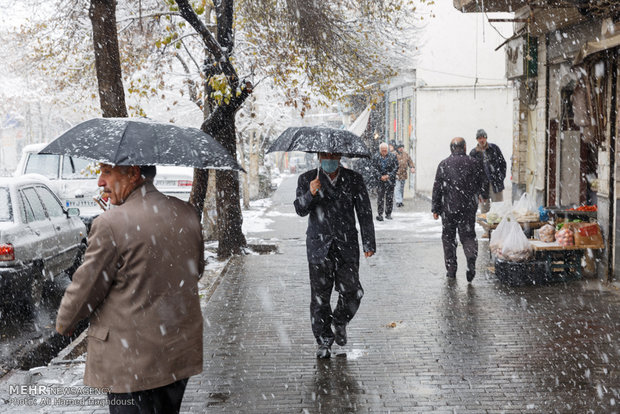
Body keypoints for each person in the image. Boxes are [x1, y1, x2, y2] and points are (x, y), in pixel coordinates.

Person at [56, 163, 204, 414]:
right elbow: (196, 270)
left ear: (134, 173)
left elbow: (86, 288)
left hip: (132, 363)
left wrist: (64, 322)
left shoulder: (110, 224)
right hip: (177, 353)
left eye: (106, 172)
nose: (100, 182)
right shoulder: (187, 212)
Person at [294, 152, 376, 359]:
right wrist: (310, 193)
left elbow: (364, 212)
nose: (329, 159)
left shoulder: (353, 179)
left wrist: (368, 242)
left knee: (353, 292)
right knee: (320, 298)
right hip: (319, 247)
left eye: (333, 155)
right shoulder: (307, 178)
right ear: (319, 157)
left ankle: (339, 321)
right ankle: (323, 341)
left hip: (346, 245)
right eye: (325, 155)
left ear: (339, 156)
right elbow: (300, 209)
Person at [432, 138, 484, 282]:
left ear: (451, 148)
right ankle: (471, 260)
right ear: (465, 147)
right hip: (468, 207)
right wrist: (481, 194)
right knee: (468, 236)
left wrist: (435, 208)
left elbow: (437, 188)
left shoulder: (444, 164)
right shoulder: (474, 163)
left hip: (449, 208)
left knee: (448, 238)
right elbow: (482, 181)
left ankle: (451, 269)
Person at [469, 128, 507, 215]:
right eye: (479, 138)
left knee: (498, 210)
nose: (482, 140)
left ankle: (498, 228)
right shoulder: (474, 153)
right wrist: (476, 188)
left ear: (486, 138)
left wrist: (500, 177)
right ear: (477, 139)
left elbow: (503, 163)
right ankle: (487, 229)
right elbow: (472, 172)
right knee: (484, 211)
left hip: (496, 183)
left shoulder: (494, 148)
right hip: (482, 186)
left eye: (483, 137)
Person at [372, 142, 399, 221]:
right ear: (380, 150)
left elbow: (396, 167)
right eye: (382, 150)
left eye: (385, 150)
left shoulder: (393, 156)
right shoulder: (376, 157)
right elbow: (373, 168)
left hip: (390, 180)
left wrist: (389, 175)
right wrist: (380, 176)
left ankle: (388, 213)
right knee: (380, 197)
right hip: (380, 181)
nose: (384, 152)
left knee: (389, 197)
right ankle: (380, 214)